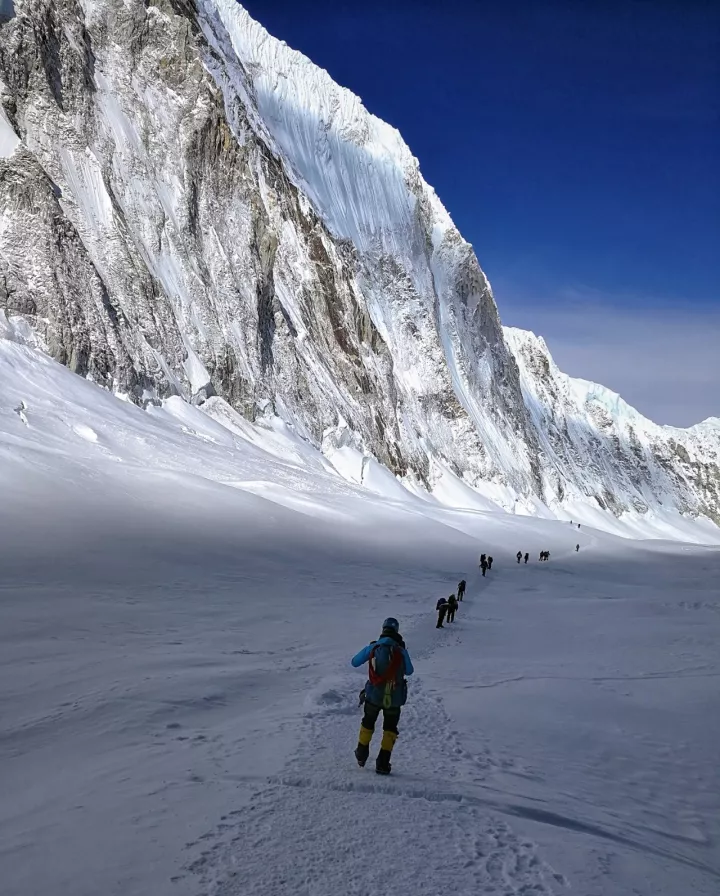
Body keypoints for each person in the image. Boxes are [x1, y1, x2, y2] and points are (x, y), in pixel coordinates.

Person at [351, 618, 414, 775]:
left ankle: (361, 754)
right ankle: (383, 763)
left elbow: (354, 662)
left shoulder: (374, 647)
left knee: (368, 722)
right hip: (395, 698)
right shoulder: (400, 650)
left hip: (373, 695)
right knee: (390, 728)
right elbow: (409, 671)